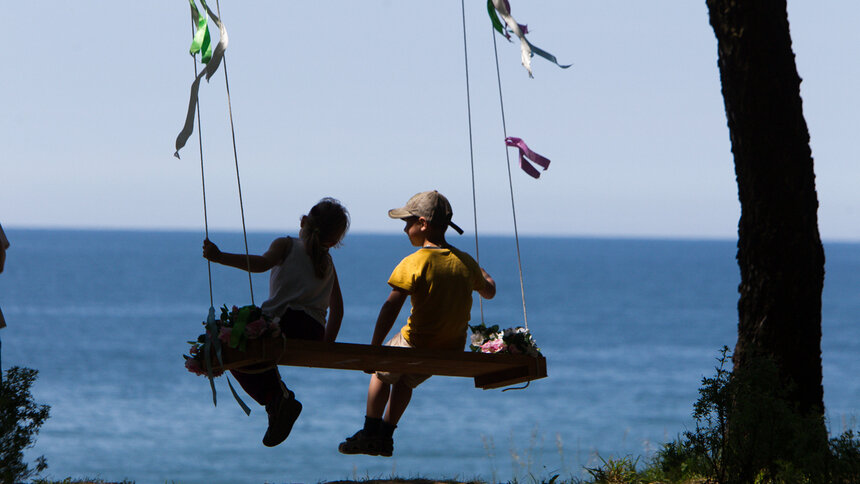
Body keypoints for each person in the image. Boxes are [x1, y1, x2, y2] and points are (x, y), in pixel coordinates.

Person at [338, 190, 496, 457]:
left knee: (381, 373)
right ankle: (385, 437)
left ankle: (369, 431)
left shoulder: (414, 262)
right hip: (451, 349)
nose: (404, 229)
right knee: (405, 381)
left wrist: (374, 348)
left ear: (422, 224)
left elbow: (390, 308)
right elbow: (489, 290)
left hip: (417, 342)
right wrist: (477, 268)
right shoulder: (465, 263)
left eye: (407, 223)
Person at [203, 197, 349, 447]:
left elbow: (260, 264)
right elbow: (338, 309)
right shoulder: (327, 261)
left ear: (303, 221)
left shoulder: (286, 244)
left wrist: (220, 257)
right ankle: (278, 401)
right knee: (246, 345)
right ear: (334, 241)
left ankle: (276, 400)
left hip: (285, 322)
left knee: (232, 346)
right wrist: (327, 345)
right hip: (313, 331)